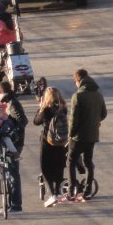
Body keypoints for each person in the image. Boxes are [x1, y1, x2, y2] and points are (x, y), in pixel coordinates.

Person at [67, 69, 107, 201]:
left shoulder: (78, 96)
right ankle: (88, 189)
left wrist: (71, 134)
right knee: (88, 161)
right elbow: (104, 114)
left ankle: (72, 188)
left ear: (78, 81)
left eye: (75, 82)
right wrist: (95, 122)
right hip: (93, 134)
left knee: (71, 160)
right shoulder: (98, 94)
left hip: (79, 136)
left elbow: (73, 119)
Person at [33, 86, 68, 207]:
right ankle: (57, 191)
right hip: (60, 141)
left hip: (47, 141)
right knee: (58, 167)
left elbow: (36, 121)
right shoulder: (63, 108)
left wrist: (41, 107)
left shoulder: (47, 110)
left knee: (45, 168)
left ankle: (52, 194)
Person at [0, 80, 27, 214]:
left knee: (13, 172)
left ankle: (15, 204)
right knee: (9, 171)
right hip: (13, 141)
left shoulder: (12, 104)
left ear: (0, 91)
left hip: (15, 143)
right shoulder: (9, 102)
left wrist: (12, 131)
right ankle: (10, 202)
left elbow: (23, 121)